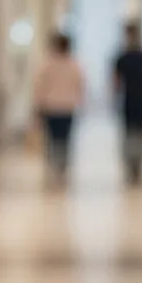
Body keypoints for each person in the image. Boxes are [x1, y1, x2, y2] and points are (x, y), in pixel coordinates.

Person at [32, 33, 84, 184]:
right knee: (65, 139)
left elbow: (39, 87)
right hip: (67, 106)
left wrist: (37, 105)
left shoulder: (47, 65)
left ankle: (54, 166)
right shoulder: (74, 65)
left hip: (51, 106)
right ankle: (62, 166)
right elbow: (80, 85)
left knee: (52, 139)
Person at [112, 23, 142, 186]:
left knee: (133, 133)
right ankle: (135, 166)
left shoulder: (123, 58)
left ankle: (134, 165)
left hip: (132, 100)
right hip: (137, 100)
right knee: (135, 133)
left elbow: (116, 83)